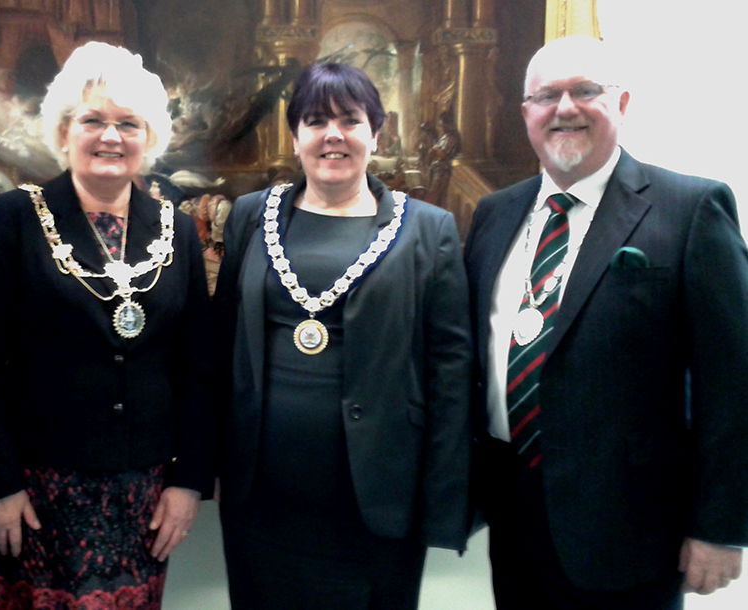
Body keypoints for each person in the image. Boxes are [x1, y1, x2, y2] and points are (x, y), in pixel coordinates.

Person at [464, 35, 748, 609]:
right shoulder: (495, 214)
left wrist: (721, 527)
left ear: (620, 104)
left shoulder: (690, 209)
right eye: (546, 96)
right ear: (526, 114)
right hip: (514, 511)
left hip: (633, 528)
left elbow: (735, 380)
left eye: (585, 91)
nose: (564, 108)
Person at [214, 62, 473, 609]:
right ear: (295, 136)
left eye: (350, 120)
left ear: (375, 133)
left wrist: (443, 501)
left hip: (379, 503)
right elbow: (220, 345)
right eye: (315, 120)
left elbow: (452, 373)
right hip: (261, 503)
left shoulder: (428, 229)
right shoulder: (248, 217)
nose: (333, 134)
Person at [0, 41, 214, 609]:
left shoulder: (176, 229)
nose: (111, 136)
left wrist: (188, 482)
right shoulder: (14, 218)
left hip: (144, 495)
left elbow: (198, 367)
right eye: (93, 120)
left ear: (149, 138)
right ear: (62, 131)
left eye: (129, 123)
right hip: (35, 493)